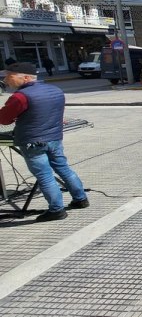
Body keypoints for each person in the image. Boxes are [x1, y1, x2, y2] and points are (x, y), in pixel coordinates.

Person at [0, 62, 88, 222]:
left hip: (33, 141)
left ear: (25, 78)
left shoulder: (20, 97)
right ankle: (81, 199)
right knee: (63, 169)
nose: (5, 80)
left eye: (9, 76)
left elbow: (4, 119)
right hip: (54, 138)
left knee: (44, 176)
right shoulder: (55, 90)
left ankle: (57, 210)